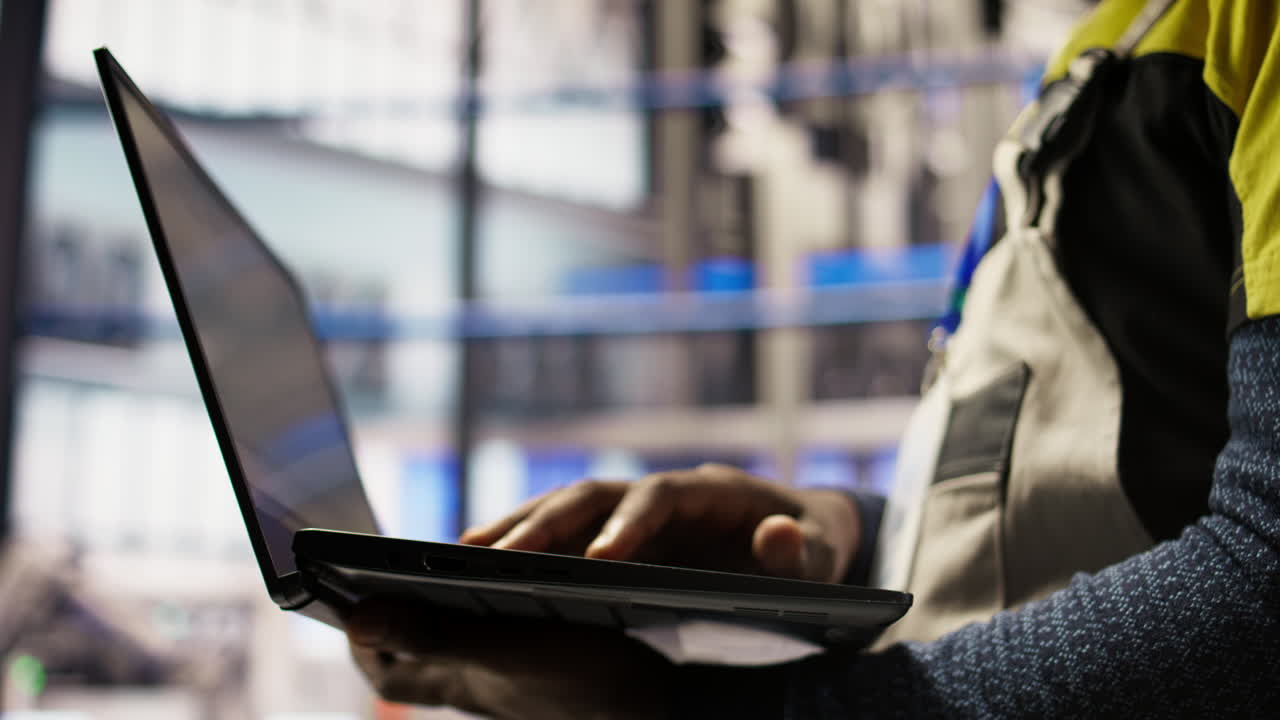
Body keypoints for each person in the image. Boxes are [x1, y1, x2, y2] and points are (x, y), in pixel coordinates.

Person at [344, 0, 1280, 716]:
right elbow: (1108, 491)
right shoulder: (1116, 44)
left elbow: (1267, 574)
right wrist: (849, 536)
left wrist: (723, 715)